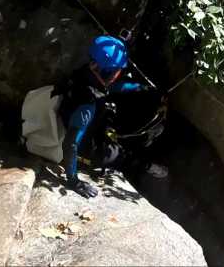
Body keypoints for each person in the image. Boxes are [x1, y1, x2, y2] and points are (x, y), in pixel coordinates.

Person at [53, 35, 162, 198]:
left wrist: (141, 88)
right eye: (119, 70)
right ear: (109, 73)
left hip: (84, 124)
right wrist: (74, 181)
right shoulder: (87, 106)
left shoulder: (87, 71)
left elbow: (113, 87)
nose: (120, 73)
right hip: (86, 149)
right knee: (121, 156)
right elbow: (70, 144)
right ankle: (143, 167)